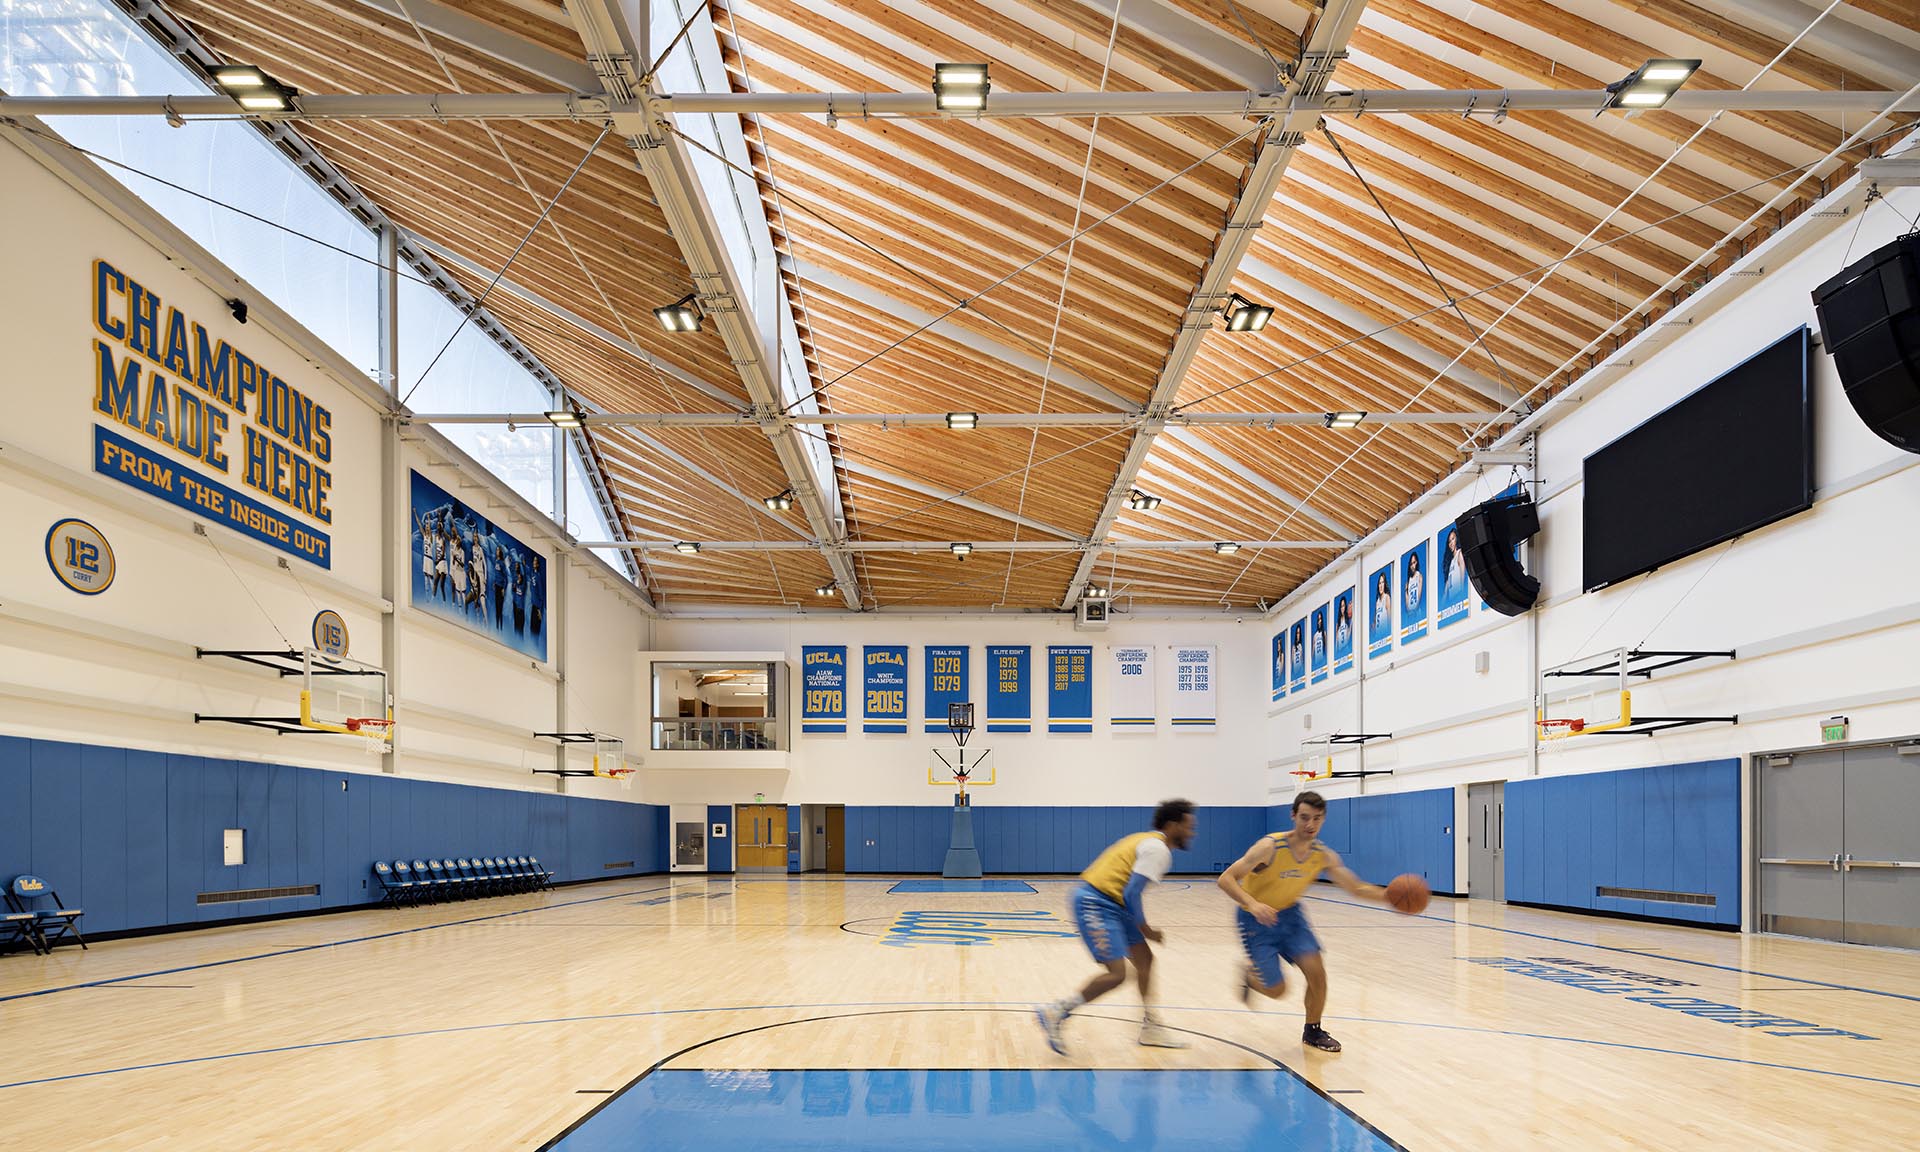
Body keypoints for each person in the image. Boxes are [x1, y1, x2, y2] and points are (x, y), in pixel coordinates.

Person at [1217, 790, 1404, 1053]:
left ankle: (1313, 1031)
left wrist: (1390, 897)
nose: (1310, 825)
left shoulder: (1322, 855)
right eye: (1304, 817)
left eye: (1317, 819)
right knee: (1277, 991)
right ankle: (1251, 977)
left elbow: (1356, 888)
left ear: (1323, 819)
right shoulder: (1269, 847)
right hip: (1255, 919)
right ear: (1293, 816)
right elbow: (1225, 879)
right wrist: (1253, 904)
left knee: (1317, 973)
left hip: (1291, 917)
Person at [1036, 799, 1198, 1054]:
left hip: (1114, 905)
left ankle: (1151, 1027)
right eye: (1188, 827)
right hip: (1096, 902)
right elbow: (1133, 893)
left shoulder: (1143, 839)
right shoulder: (1158, 849)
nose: (1192, 832)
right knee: (1117, 974)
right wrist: (1146, 928)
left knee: (1145, 960)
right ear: (1172, 825)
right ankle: (1056, 1012)